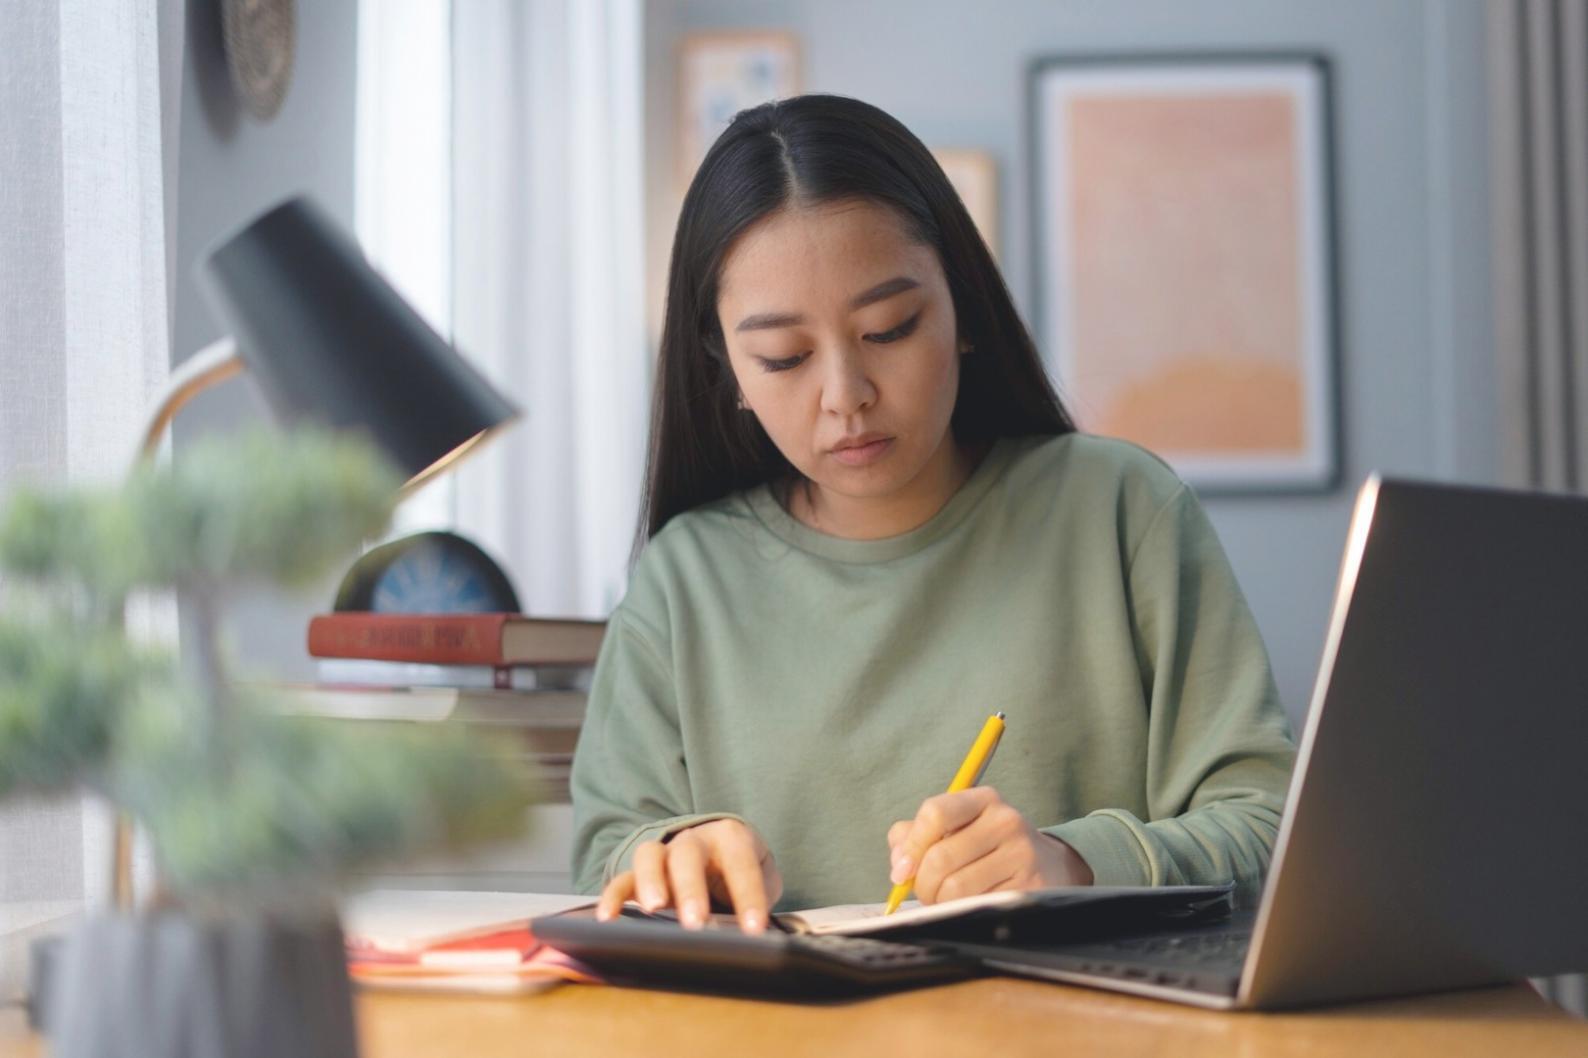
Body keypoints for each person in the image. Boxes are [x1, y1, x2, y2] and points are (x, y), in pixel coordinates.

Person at [569, 93, 1296, 935]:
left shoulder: (1119, 511)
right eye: (784, 357)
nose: (846, 397)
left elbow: (1272, 828)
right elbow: (606, 856)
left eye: (890, 328)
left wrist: (1075, 863)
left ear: (962, 311)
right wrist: (671, 853)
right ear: (725, 365)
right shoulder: (683, 580)